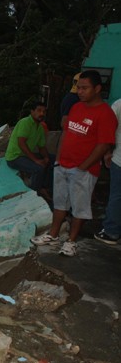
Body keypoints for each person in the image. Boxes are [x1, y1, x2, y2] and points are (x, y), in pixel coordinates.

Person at [31, 69, 118, 256]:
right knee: (60, 203)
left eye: (84, 88)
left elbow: (104, 145)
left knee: (80, 207)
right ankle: (53, 236)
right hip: (63, 165)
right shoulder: (76, 107)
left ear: (97, 88)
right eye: (78, 88)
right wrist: (59, 160)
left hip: (84, 170)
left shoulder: (105, 114)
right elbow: (67, 134)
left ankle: (71, 241)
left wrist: (83, 167)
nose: (80, 91)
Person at [5, 101, 53, 198]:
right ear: (32, 111)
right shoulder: (25, 122)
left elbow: (41, 147)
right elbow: (21, 143)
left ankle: (45, 187)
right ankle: (33, 194)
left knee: (53, 160)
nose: (42, 114)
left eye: (44, 111)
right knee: (38, 169)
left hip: (25, 155)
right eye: (39, 110)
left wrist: (46, 157)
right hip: (15, 157)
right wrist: (36, 160)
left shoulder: (39, 127)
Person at [94, 98, 121, 244]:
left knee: (117, 196)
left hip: (120, 159)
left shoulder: (118, 105)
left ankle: (111, 231)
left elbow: (108, 131)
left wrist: (107, 153)